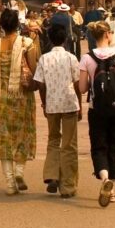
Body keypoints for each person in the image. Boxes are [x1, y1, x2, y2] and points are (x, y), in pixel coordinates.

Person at [0, 8, 38, 195]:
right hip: (21, 97)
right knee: (23, 134)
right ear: (17, 24)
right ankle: (20, 172)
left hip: (0, 99)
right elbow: (34, 70)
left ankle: (9, 183)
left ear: (1, 26)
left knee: (4, 140)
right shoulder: (27, 43)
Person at [79, 20, 115, 207]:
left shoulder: (87, 58)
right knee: (114, 146)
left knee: (98, 146)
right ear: (108, 35)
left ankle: (104, 180)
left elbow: (83, 88)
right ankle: (111, 189)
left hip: (97, 109)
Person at [31, 25, 81, 198]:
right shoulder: (71, 58)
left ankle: (52, 175)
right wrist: (79, 105)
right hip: (69, 103)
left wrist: (45, 103)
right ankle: (68, 185)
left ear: (50, 39)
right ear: (66, 39)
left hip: (52, 104)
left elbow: (40, 84)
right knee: (69, 145)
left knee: (53, 140)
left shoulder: (44, 59)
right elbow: (77, 84)